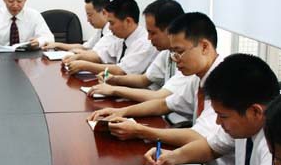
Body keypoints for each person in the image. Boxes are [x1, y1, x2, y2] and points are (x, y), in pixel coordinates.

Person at [143, 54, 280, 165]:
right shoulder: (247, 122)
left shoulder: (280, 136)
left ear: (255, 112)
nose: (218, 122)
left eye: (223, 116)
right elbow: (211, 147)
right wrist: (172, 156)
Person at [88, 12, 224, 150]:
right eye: (173, 53)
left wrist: (140, 131)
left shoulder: (224, 81)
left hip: (211, 161)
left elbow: (199, 136)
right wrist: (121, 112)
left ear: (204, 47)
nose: (175, 59)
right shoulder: (198, 77)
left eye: (179, 52)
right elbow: (164, 104)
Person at [88, 0, 185, 101]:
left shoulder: (187, 58)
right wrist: (114, 79)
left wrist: (114, 90)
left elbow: (160, 97)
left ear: (171, 30)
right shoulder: (167, 52)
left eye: (153, 33)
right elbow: (143, 79)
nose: (149, 38)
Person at [63, 0, 157, 76]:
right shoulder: (122, 39)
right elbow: (101, 55)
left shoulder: (144, 42)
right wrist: (78, 57)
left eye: (112, 23)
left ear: (128, 21)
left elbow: (122, 71)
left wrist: (85, 66)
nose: (109, 27)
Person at [41, 0, 113, 53]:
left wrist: (76, 52)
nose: (88, 20)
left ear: (103, 12)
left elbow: (97, 55)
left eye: (90, 15)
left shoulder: (111, 32)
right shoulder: (101, 30)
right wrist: (57, 44)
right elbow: (85, 47)